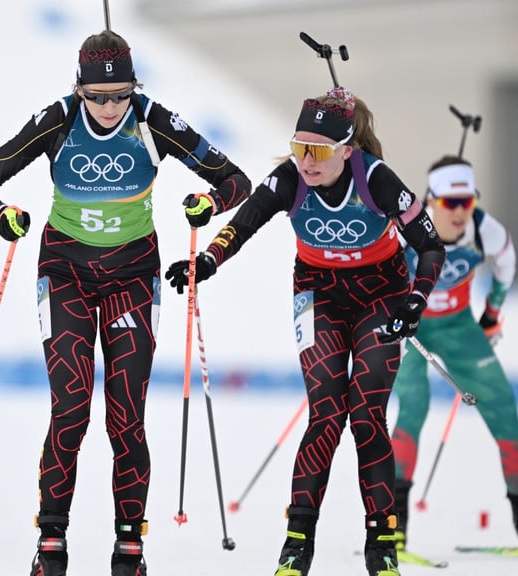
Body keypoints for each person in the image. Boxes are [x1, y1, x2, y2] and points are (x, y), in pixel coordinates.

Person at [0, 29, 251, 576]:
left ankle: (129, 549)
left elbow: (237, 180)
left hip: (132, 278)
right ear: (79, 89)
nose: (110, 107)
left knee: (126, 416)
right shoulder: (58, 120)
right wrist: (1, 214)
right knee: (71, 409)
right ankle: (51, 544)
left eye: (120, 96)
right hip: (64, 273)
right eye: (97, 97)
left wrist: (208, 202)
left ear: (133, 88)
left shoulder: (153, 120)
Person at [165, 85, 445, 576]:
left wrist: (416, 300)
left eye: (318, 151)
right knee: (326, 415)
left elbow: (431, 245)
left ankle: (381, 544)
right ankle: (297, 544)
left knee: (366, 415)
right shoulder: (289, 179)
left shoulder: (376, 179)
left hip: (381, 294)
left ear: (346, 150)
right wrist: (206, 260)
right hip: (318, 293)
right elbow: (244, 223)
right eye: (299, 147)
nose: (306, 161)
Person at [390, 156, 518, 551]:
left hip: (458, 326)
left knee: (503, 404)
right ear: (431, 199)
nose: (460, 212)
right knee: (413, 406)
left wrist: (492, 314)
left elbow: (507, 262)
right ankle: (393, 522)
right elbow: (374, 270)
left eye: (467, 201)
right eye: (450, 202)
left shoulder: (484, 230)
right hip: (413, 327)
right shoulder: (405, 227)